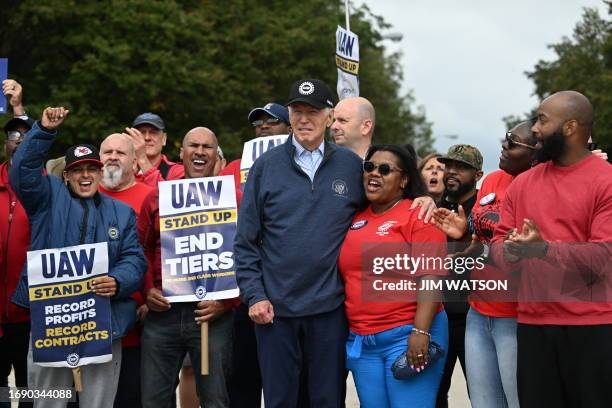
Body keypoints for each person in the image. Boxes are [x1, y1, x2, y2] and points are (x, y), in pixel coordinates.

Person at [235, 79, 437, 407]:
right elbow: (245, 242)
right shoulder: (265, 168)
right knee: (279, 400)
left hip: (330, 311)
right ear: (288, 114)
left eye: (313, 111)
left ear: (329, 117)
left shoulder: (351, 166)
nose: (304, 119)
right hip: (275, 310)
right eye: (297, 111)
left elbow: (385, 200)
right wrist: (254, 295)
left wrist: (423, 201)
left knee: (327, 399)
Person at [10, 107, 146, 408]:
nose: (86, 176)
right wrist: (43, 131)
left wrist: (117, 280)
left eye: (92, 169)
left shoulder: (121, 213)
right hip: (51, 325)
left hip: (103, 327)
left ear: (100, 172)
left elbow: (134, 259)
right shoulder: (46, 200)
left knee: (98, 404)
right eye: (78, 170)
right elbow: (22, 171)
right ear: (67, 175)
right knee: (48, 402)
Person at [490, 91, 612, 408]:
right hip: (533, 326)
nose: (535, 130)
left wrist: (544, 250)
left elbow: (604, 257)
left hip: (593, 327)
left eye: (543, 120)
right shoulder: (523, 183)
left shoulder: (606, 181)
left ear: (570, 127)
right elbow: (498, 247)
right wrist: (513, 252)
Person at [433, 121, 537, 408]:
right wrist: (464, 236)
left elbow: (523, 254)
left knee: (517, 400)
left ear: (535, 151)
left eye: (513, 142)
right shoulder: (493, 180)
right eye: (505, 139)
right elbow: (481, 240)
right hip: (478, 311)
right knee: (484, 403)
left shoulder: (540, 184)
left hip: (514, 314)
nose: (503, 146)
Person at [339, 144, 448, 408]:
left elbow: (431, 278)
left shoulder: (418, 214)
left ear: (405, 180)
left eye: (385, 169)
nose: (374, 173)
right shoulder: (355, 217)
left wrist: (421, 331)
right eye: (370, 167)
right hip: (363, 341)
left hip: (408, 334)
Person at [138, 127, 236, 408]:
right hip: (163, 314)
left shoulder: (235, 199)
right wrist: (147, 290)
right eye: (194, 145)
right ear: (181, 154)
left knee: (214, 400)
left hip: (212, 317)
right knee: (154, 400)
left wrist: (228, 301)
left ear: (216, 156)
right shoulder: (157, 197)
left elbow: (248, 253)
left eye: (207, 147)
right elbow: (141, 249)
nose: (200, 151)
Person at [97, 133, 153, 408]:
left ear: (134, 160)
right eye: (107, 152)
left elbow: (164, 252)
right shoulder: (84, 195)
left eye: (120, 152)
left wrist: (154, 294)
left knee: (131, 398)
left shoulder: (150, 196)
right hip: (87, 328)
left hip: (140, 324)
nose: (113, 157)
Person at [434, 144, 483, 408]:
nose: (452, 172)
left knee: (483, 395)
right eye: (448, 165)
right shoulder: (431, 208)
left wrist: (466, 238)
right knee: (434, 394)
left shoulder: (486, 211)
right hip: (437, 317)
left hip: (473, 319)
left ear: (478, 175)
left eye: (461, 167)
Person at [1, 85, 34, 408]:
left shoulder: (45, 187)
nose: (19, 141)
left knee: (31, 395)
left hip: (30, 319)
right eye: (13, 136)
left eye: (26, 136)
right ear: (5, 144)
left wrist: (19, 107)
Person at [125, 112, 184, 186]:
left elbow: (165, 195)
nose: (147, 138)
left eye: (153, 132)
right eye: (142, 132)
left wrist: (142, 159)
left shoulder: (178, 171)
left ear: (164, 139)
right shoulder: (124, 169)